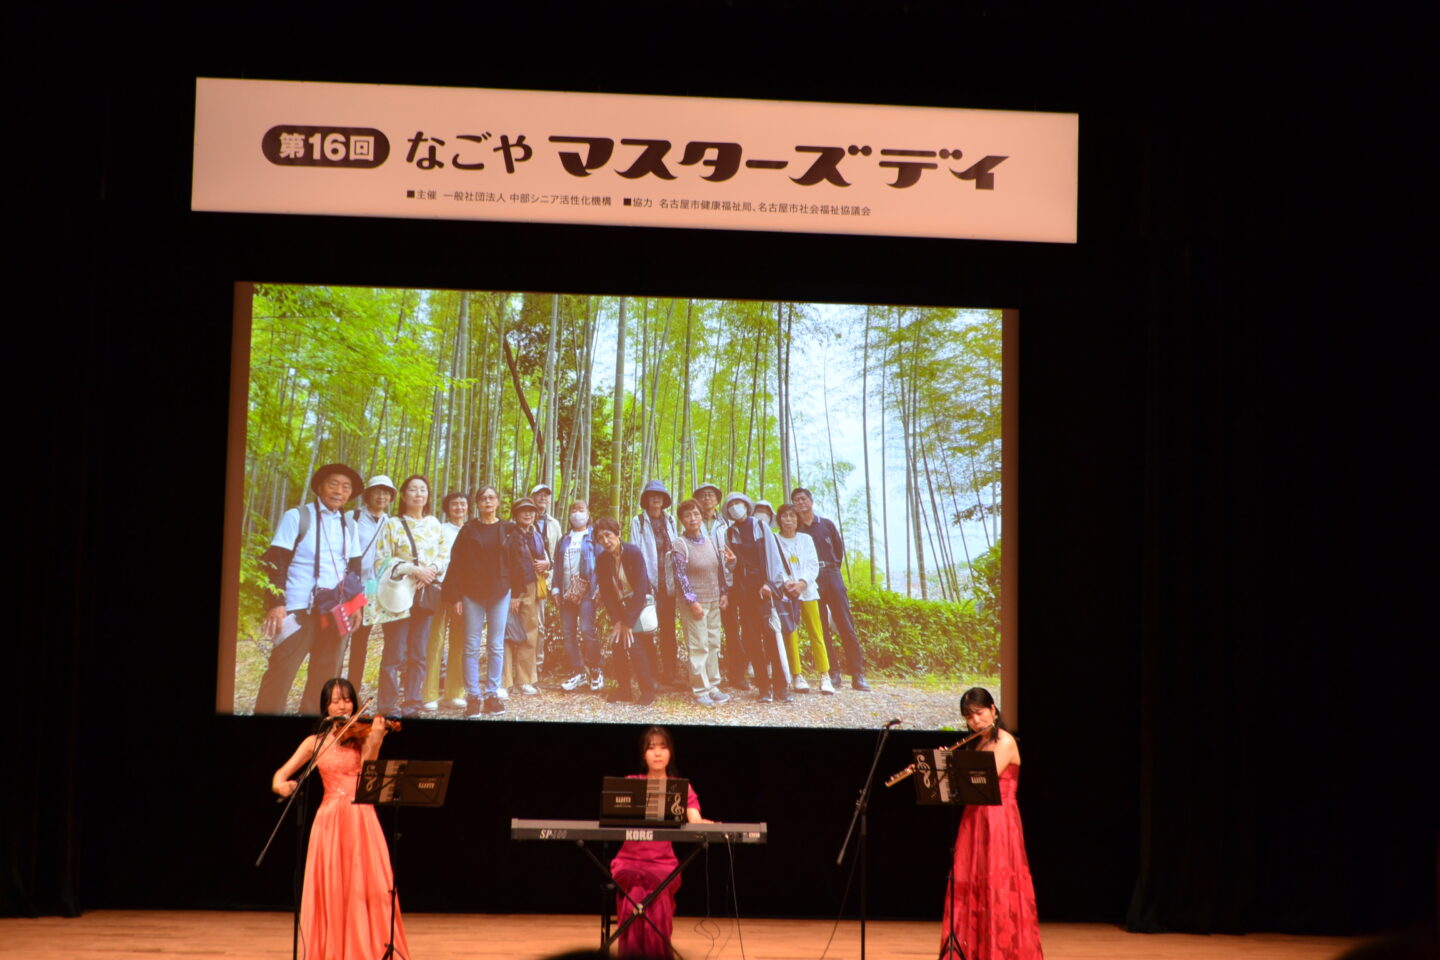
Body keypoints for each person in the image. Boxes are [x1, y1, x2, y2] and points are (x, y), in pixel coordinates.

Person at [270, 677, 409, 960]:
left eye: (346, 700)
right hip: (329, 819)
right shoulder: (314, 742)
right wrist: (282, 786)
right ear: (326, 707)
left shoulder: (363, 735)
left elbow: (369, 770)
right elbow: (279, 776)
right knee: (333, 887)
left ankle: (365, 948)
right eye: (335, 701)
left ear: (354, 703)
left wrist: (377, 737)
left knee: (363, 883)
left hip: (360, 816)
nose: (342, 706)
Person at [255, 464, 365, 715]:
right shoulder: (297, 517)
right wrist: (276, 603)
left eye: (346, 487)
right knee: (282, 670)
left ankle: (314, 727)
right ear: (320, 487)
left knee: (326, 675)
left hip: (336, 609)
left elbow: (354, 567)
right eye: (333, 484)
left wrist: (356, 605)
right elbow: (276, 561)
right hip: (297, 608)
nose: (339, 491)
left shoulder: (350, 525)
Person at [944, 687, 1043, 960]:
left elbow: (985, 778)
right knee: (972, 879)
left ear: (993, 710)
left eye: (979, 713)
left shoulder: (1006, 742)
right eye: (969, 716)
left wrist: (955, 767)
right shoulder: (977, 743)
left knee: (996, 882)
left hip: (999, 821)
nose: (975, 721)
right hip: (974, 819)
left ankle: (1000, 952)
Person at [609, 726, 709, 959]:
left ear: (670, 752)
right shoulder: (631, 783)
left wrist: (701, 822)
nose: (657, 753)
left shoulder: (680, 787)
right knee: (634, 892)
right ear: (643, 754)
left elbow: (694, 817)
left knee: (658, 894)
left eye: (663, 747)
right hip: (628, 862)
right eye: (651, 747)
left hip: (663, 864)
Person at [367, 474, 447, 717]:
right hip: (397, 595)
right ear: (403, 495)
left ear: (428, 495)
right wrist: (413, 570)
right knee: (394, 653)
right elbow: (381, 560)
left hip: (424, 594)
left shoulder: (434, 524)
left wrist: (431, 571)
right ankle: (388, 706)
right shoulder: (392, 524)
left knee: (418, 653)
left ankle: (412, 702)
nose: (418, 493)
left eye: (423, 489)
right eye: (413, 489)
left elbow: (443, 555)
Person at [442, 485, 521, 716]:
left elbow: (516, 560)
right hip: (472, 592)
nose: (487, 501)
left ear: (498, 502)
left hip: (500, 591)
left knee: (496, 645)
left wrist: (517, 592)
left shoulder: (508, 528)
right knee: (471, 645)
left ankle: (492, 694)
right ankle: (473, 696)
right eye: (483, 498)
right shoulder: (468, 529)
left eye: (491, 497)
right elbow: (456, 563)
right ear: (477, 504)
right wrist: (455, 596)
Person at [791, 487, 871, 692]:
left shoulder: (826, 524)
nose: (800, 503)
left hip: (832, 574)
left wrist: (832, 568)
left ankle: (858, 674)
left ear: (811, 501)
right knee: (821, 629)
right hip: (811, 580)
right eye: (796, 500)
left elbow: (838, 549)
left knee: (845, 624)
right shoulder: (797, 531)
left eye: (803, 499)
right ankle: (833, 672)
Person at [720, 492, 791, 702]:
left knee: (772, 637)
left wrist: (771, 583)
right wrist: (732, 563)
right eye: (731, 505)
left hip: (764, 591)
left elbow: (774, 556)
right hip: (744, 593)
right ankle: (763, 686)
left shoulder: (760, 526)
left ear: (746, 505)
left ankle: (781, 686)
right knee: (751, 640)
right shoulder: (730, 532)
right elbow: (732, 566)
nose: (735, 507)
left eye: (738, 503)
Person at [670, 498, 729, 707]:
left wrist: (723, 593)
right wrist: (692, 601)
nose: (692, 518)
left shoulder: (709, 541)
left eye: (696, 514)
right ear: (682, 520)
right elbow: (680, 575)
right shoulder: (680, 544)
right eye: (687, 515)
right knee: (698, 646)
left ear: (702, 516)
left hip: (713, 600)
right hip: (694, 603)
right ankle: (700, 689)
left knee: (713, 644)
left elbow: (718, 569)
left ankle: (713, 685)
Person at [595, 517, 659, 706]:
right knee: (617, 643)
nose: (605, 541)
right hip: (620, 606)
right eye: (600, 538)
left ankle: (648, 690)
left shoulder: (633, 552)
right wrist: (617, 621)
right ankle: (624, 690)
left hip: (639, 604)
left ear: (618, 533)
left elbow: (641, 588)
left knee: (634, 643)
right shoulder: (602, 559)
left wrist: (628, 624)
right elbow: (607, 593)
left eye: (608, 535)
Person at [774, 503, 834, 694]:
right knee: (791, 633)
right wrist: (787, 583)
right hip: (786, 594)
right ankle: (796, 675)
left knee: (817, 632)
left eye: (792, 516)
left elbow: (812, 564)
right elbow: (775, 565)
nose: (788, 520)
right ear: (779, 519)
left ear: (798, 519)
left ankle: (825, 675)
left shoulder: (806, 539)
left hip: (808, 592)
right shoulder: (774, 540)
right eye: (784, 516)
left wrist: (802, 583)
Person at [629, 480, 682, 687]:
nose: (656, 499)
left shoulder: (670, 520)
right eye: (652, 496)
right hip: (648, 583)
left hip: (667, 584)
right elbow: (635, 550)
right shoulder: (639, 521)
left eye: (659, 496)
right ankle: (650, 673)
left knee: (668, 629)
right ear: (646, 499)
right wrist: (641, 582)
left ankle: (670, 673)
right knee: (647, 628)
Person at [694, 481, 746, 691]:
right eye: (703, 495)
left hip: (727, 582)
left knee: (732, 629)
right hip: (702, 585)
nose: (707, 498)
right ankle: (705, 675)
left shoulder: (727, 524)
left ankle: (737, 673)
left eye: (711, 495)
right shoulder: (692, 522)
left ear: (717, 500)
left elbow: (735, 554)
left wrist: (732, 564)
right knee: (704, 632)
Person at [345, 474, 396, 689]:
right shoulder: (353, 517)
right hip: (351, 587)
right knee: (343, 638)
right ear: (368, 495)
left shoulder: (391, 523)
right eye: (377, 491)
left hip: (377, 590)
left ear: (391, 497)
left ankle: (354, 686)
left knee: (362, 641)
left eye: (386, 493)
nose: (381, 496)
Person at [420, 490, 469, 711]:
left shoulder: (471, 529)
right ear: (447, 508)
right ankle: (429, 694)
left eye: (462, 504)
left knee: (459, 641)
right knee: (435, 640)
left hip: (463, 592)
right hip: (440, 588)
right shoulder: (439, 529)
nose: (459, 507)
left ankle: (455, 692)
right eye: (454, 504)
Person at [553, 500, 603, 693]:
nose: (577, 513)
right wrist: (555, 589)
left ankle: (596, 670)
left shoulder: (593, 537)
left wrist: (600, 588)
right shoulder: (564, 539)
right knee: (568, 633)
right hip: (567, 591)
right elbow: (557, 566)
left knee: (587, 629)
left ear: (588, 514)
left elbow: (602, 563)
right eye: (573, 510)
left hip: (587, 591)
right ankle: (579, 672)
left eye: (581, 510)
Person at [502, 497, 549, 696]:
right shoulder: (509, 535)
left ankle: (524, 679)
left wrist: (547, 564)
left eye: (531, 511)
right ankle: (504, 680)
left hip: (531, 586)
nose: (528, 514)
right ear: (516, 514)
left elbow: (544, 557)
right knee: (506, 633)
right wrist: (514, 594)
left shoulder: (536, 534)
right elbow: (509, 566)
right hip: (513, 589)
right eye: (523, 511)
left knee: (530, 632)